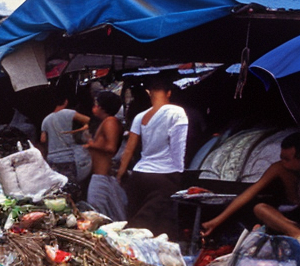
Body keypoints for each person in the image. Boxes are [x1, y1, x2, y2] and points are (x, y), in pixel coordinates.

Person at [116, 75, 189, 240]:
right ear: (169, 92)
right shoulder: (177, 112)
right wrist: (178, 175)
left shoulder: (140, 117)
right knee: (160, 232)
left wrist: (120, 174)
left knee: (136, 230)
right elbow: (179, 146)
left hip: (139, 176)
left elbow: (129, 150)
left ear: (149, 92)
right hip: (164, 177)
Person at [201, 131, 300, 240]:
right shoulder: (279, 168)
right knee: (260, 208)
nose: (283, 162)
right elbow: (248, 194)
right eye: (282, 157)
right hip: (289, 219)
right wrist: (216, 221)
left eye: (287, 160)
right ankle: (297, 235)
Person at [83, 91, 128, 221]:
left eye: (96, 104)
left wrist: (91, 145)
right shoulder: (107, 121)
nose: (94, 107)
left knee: (97, 214)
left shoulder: (110, 121)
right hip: (100, 176)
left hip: (102, 177)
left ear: (103, 107)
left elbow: (111, 148)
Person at [40, 91, 90, 185]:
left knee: (59, 187)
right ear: (66, 102)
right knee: (71, 185)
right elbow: (88, 121)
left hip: (52, 159)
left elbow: (43, 139)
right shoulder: (68, 113)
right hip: (68, 157)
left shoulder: (46, 120)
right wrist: (80, 130)